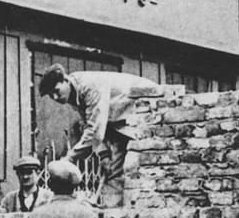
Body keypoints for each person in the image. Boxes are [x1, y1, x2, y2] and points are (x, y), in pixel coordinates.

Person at [38, 65, 157, 205]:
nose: (55, 97)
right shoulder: (74, 94)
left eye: (56, 91)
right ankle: (112, 214)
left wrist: (70, 157)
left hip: (147, 109)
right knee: (112, 171)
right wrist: (104, 155)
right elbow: (94, 122)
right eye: (51, 95)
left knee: (138, 168)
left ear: (66, 80)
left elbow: (95, 131)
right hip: (121, 122)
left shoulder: (89, 86)